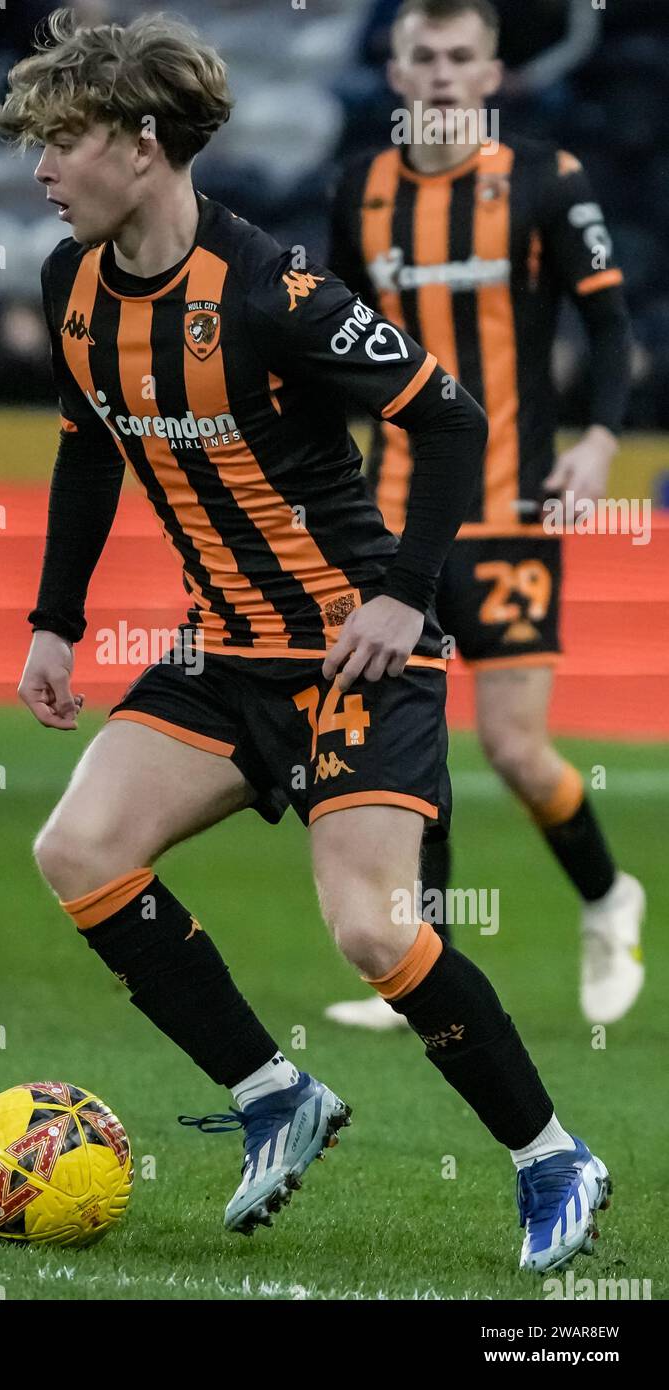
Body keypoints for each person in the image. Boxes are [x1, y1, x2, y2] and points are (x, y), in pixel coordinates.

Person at [0, 7, 611, 1271]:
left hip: (352, 651)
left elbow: (449, 417)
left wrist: (404, 594)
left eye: (60, 141)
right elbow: (84, 449)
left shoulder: (274, 292)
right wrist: (55, 620)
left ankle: (553, 1155)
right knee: (79, 848)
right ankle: (277, 1092)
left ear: (142, 142)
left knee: (374, 933)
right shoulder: (73, 287)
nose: (40, 172)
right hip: (221, 651)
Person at [324, 0, 643, 1033]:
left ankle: (606, 897)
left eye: (463, 57)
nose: (445, 74)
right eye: (426, 56)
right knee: (409, 742)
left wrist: (598, 439)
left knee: (510, 746)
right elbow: (330, 348)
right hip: (392, 515)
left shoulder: (546, 181)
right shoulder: (360, 191)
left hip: (510, 505)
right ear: (398, 70)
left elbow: (609, 326)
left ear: (494, 74)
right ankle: (429, 955)